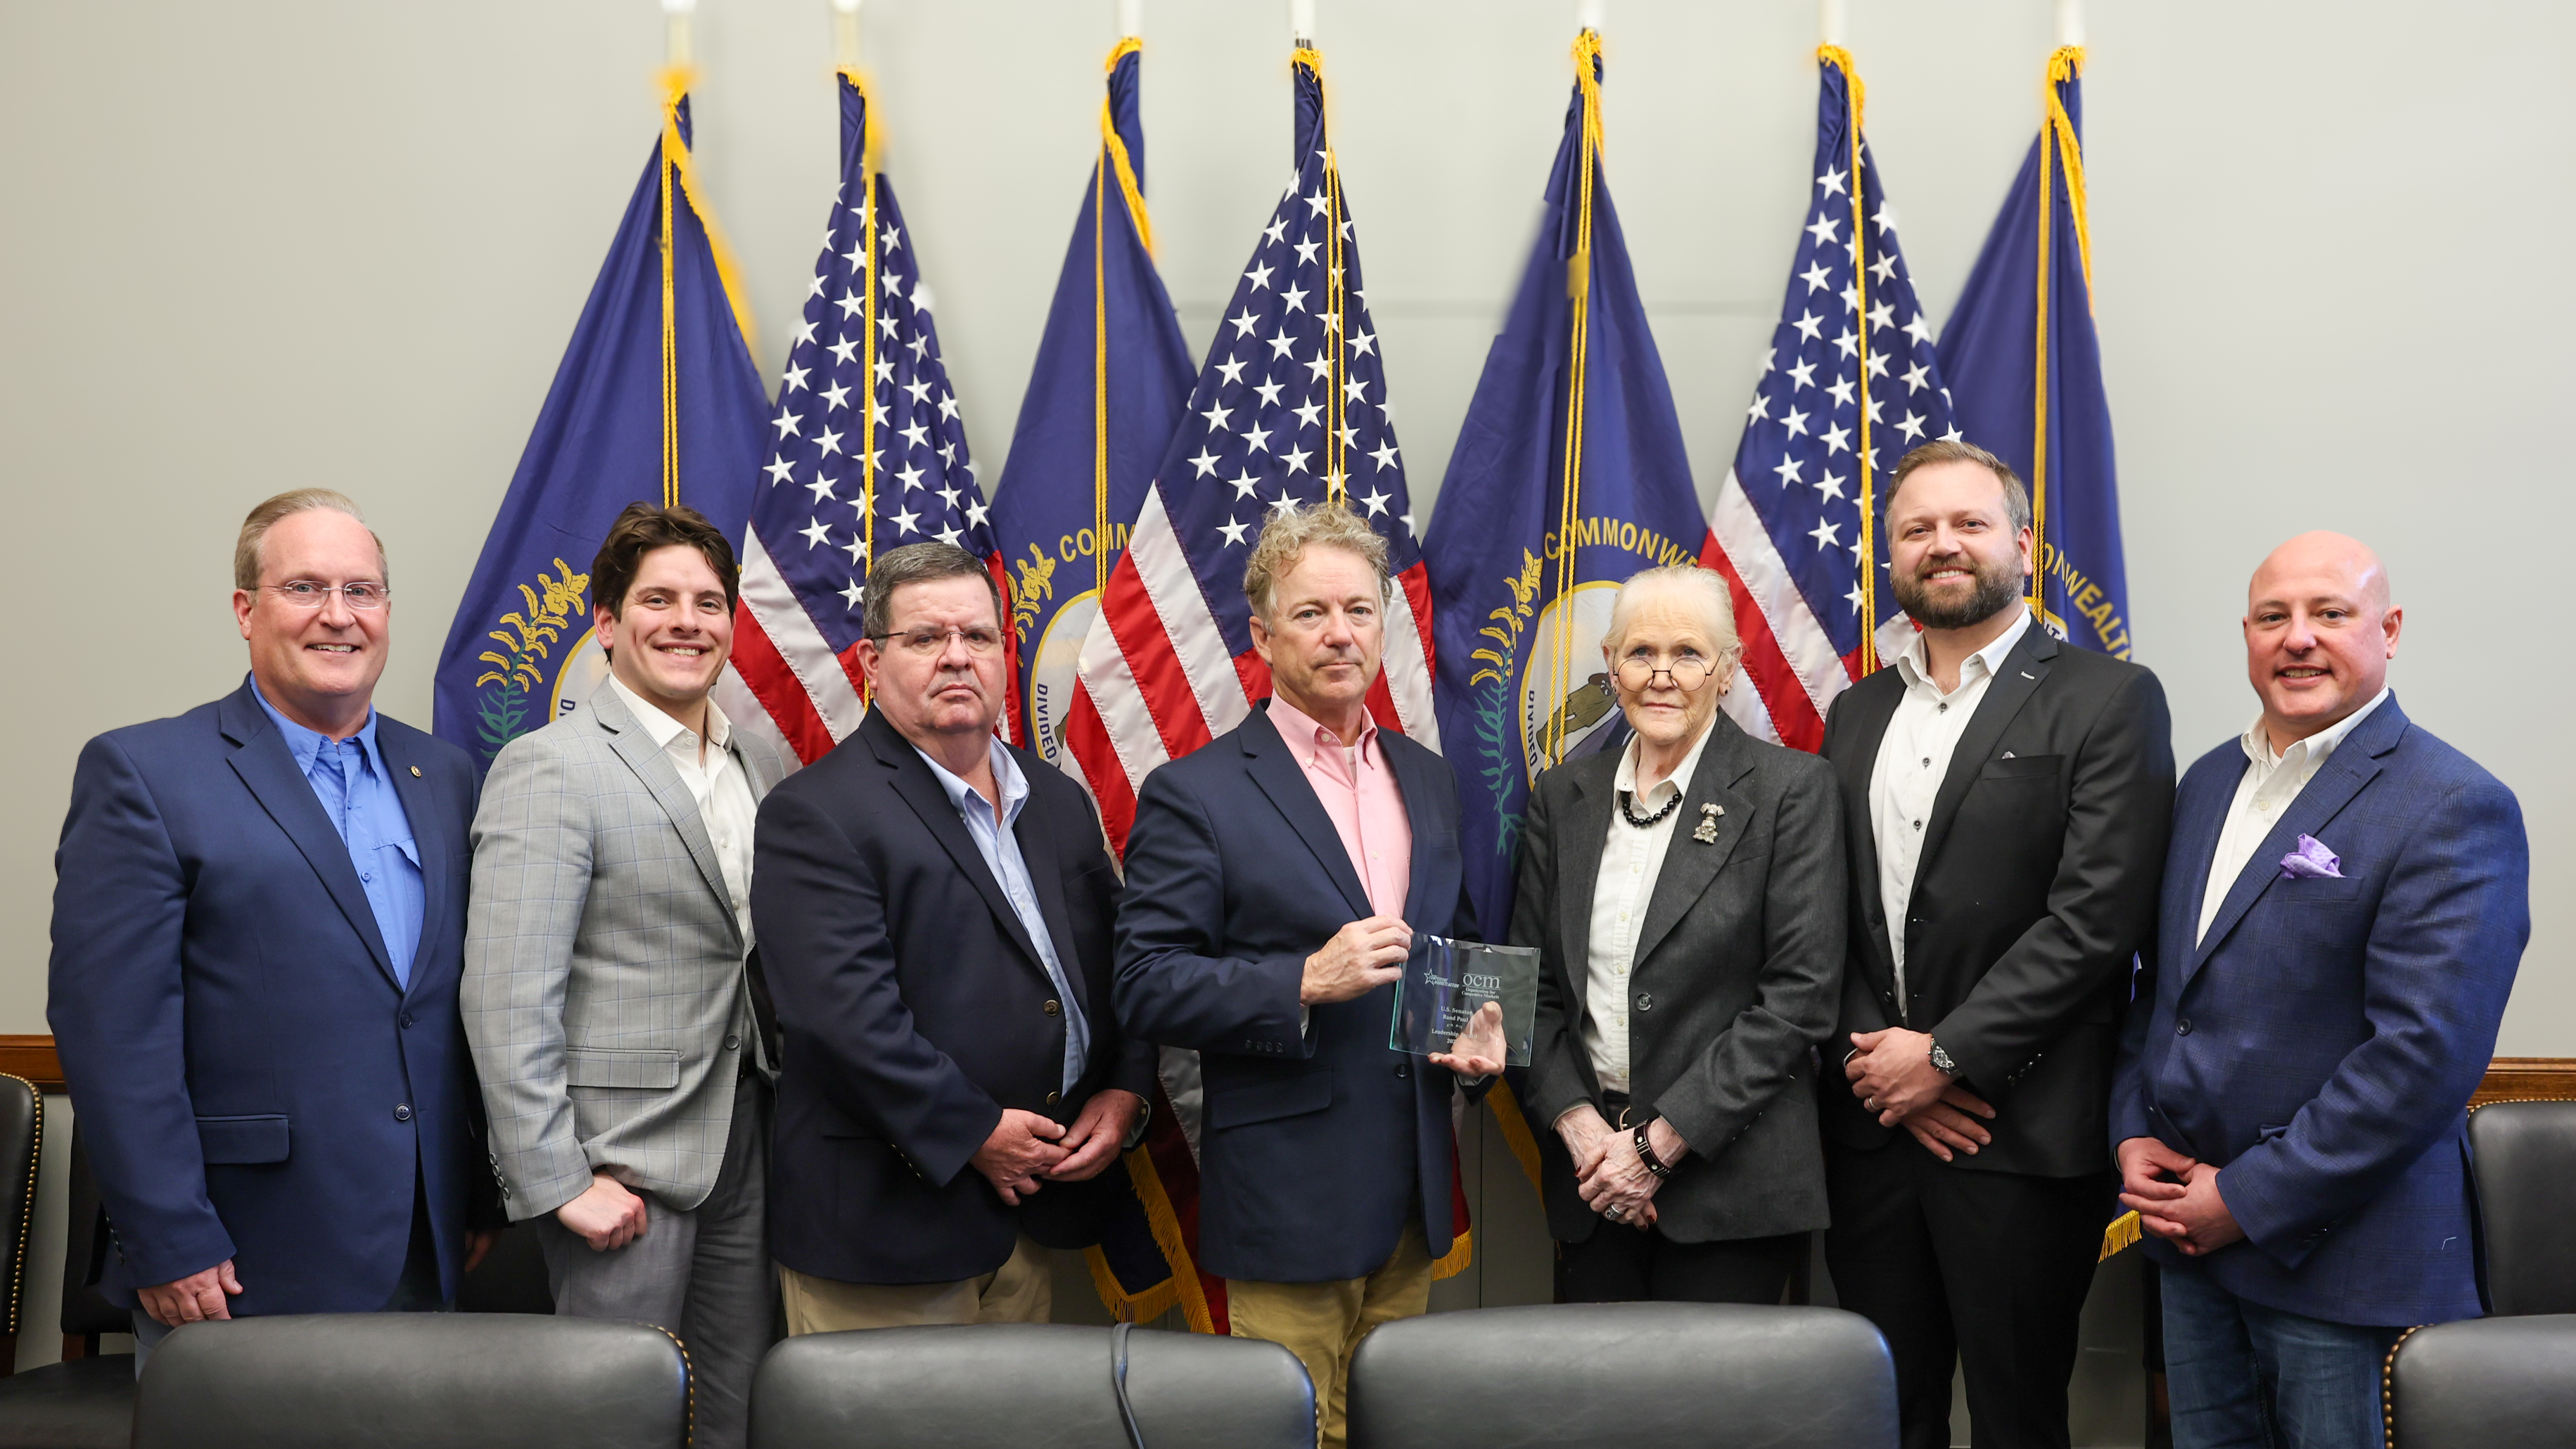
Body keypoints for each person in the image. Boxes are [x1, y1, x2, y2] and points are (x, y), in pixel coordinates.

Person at [50, 490, 497, 1370]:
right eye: (305, 588)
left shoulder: (444, 774)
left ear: (387, 613)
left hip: (425, 1235)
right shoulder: (145, 772)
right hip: (238, 1256)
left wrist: (472, 1191)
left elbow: (446, 1008)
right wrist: (168, 1234)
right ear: (246, 610)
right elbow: (113, 1032)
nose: (338, 615)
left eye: (362, 591)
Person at [2112, 532, 2525, 1449]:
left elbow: (2421, 1060)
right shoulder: (2206, 782)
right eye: (2273, 617)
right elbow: (2160, 990)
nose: (2297, 638)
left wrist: (2245, 1200)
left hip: (2342, 1266)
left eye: (2328, 614)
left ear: (2388, 629)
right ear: (2247, 636)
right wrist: (2130, 1127)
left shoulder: (2453, 804)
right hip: (2190, 1250)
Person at [1114, 504, 1493, 1449]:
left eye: (1359, 612)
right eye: (1312, 613)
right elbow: (1145, 981)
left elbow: (1456, 947)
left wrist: (1482, 1040)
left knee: (1392, 1429)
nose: (1340, 633)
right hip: (1287, 1204)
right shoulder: (1195, 792)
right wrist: (1301, 981)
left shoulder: (1426, 776)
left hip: (1411, 1188)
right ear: (1262, 635)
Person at [1818, 440, 2174, 1449]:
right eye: (1916, 529)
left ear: (2020, 542)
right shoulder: (1855, 712)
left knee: (2018, 1419)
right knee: (1884, 1417)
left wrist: (1940, 1058)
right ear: (1888, 556)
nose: (1942, 545)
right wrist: (1880, 1070)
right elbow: (1818, 913)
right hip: (1870, 1134)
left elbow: (2095, 918)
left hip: (2011, 1132)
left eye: (1968, 523)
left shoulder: (2107, 697)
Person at [751, 542, 1153, 1332]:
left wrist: (1126, 1083)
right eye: (925, 638)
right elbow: (843, 1021)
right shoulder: (817, 813)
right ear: (871, 658)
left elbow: (1120, 961)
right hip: (887, 1224)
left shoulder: (1059, 801)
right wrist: (972, 1131)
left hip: (1033, 1213)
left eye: (975, 636)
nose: (955, 657)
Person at [464, 503, 784, 1449]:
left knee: (730, 1417)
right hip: (618, 1164)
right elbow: (504, 994)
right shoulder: (550, 768)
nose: (687, 620)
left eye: (708, 602)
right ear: (605, 621)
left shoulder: (753, 758)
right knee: (613, 1423)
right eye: (658, 599)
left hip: (743, 1144)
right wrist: (559, 1181)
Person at [1513, 565, 1845, 1304]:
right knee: (1594, 1414)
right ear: (1610, 664)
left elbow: (1799, 998)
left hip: (1732, 1185)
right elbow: (1527, 991)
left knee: (1717, 1422)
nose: (1661, 675)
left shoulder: (1791, 791)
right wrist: (1583, 1134)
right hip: (1590, 1181)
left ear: (1726, 670)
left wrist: (1656, 1145)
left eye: (1689, 653)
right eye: (1639, 652)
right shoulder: (1562, 796)